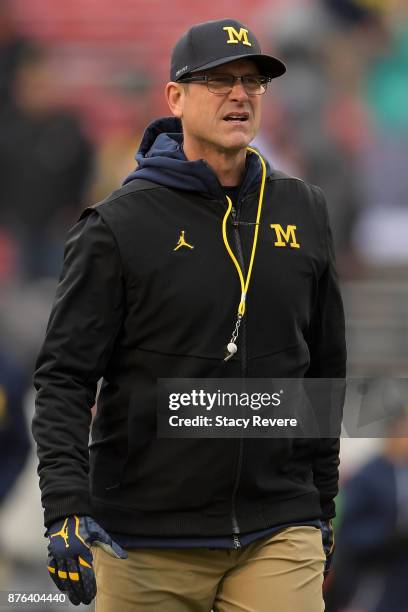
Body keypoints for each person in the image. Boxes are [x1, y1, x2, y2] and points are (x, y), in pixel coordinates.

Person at [32, 18, 346, 612]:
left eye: (253, 81)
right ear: (174, 97)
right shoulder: (118, 225)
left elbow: (325, 368)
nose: (240, 94)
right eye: (218, 80)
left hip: (278, 525)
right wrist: (66, 510)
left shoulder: (305, 209)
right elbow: (64, 378)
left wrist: (320, 505)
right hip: (143, 539)